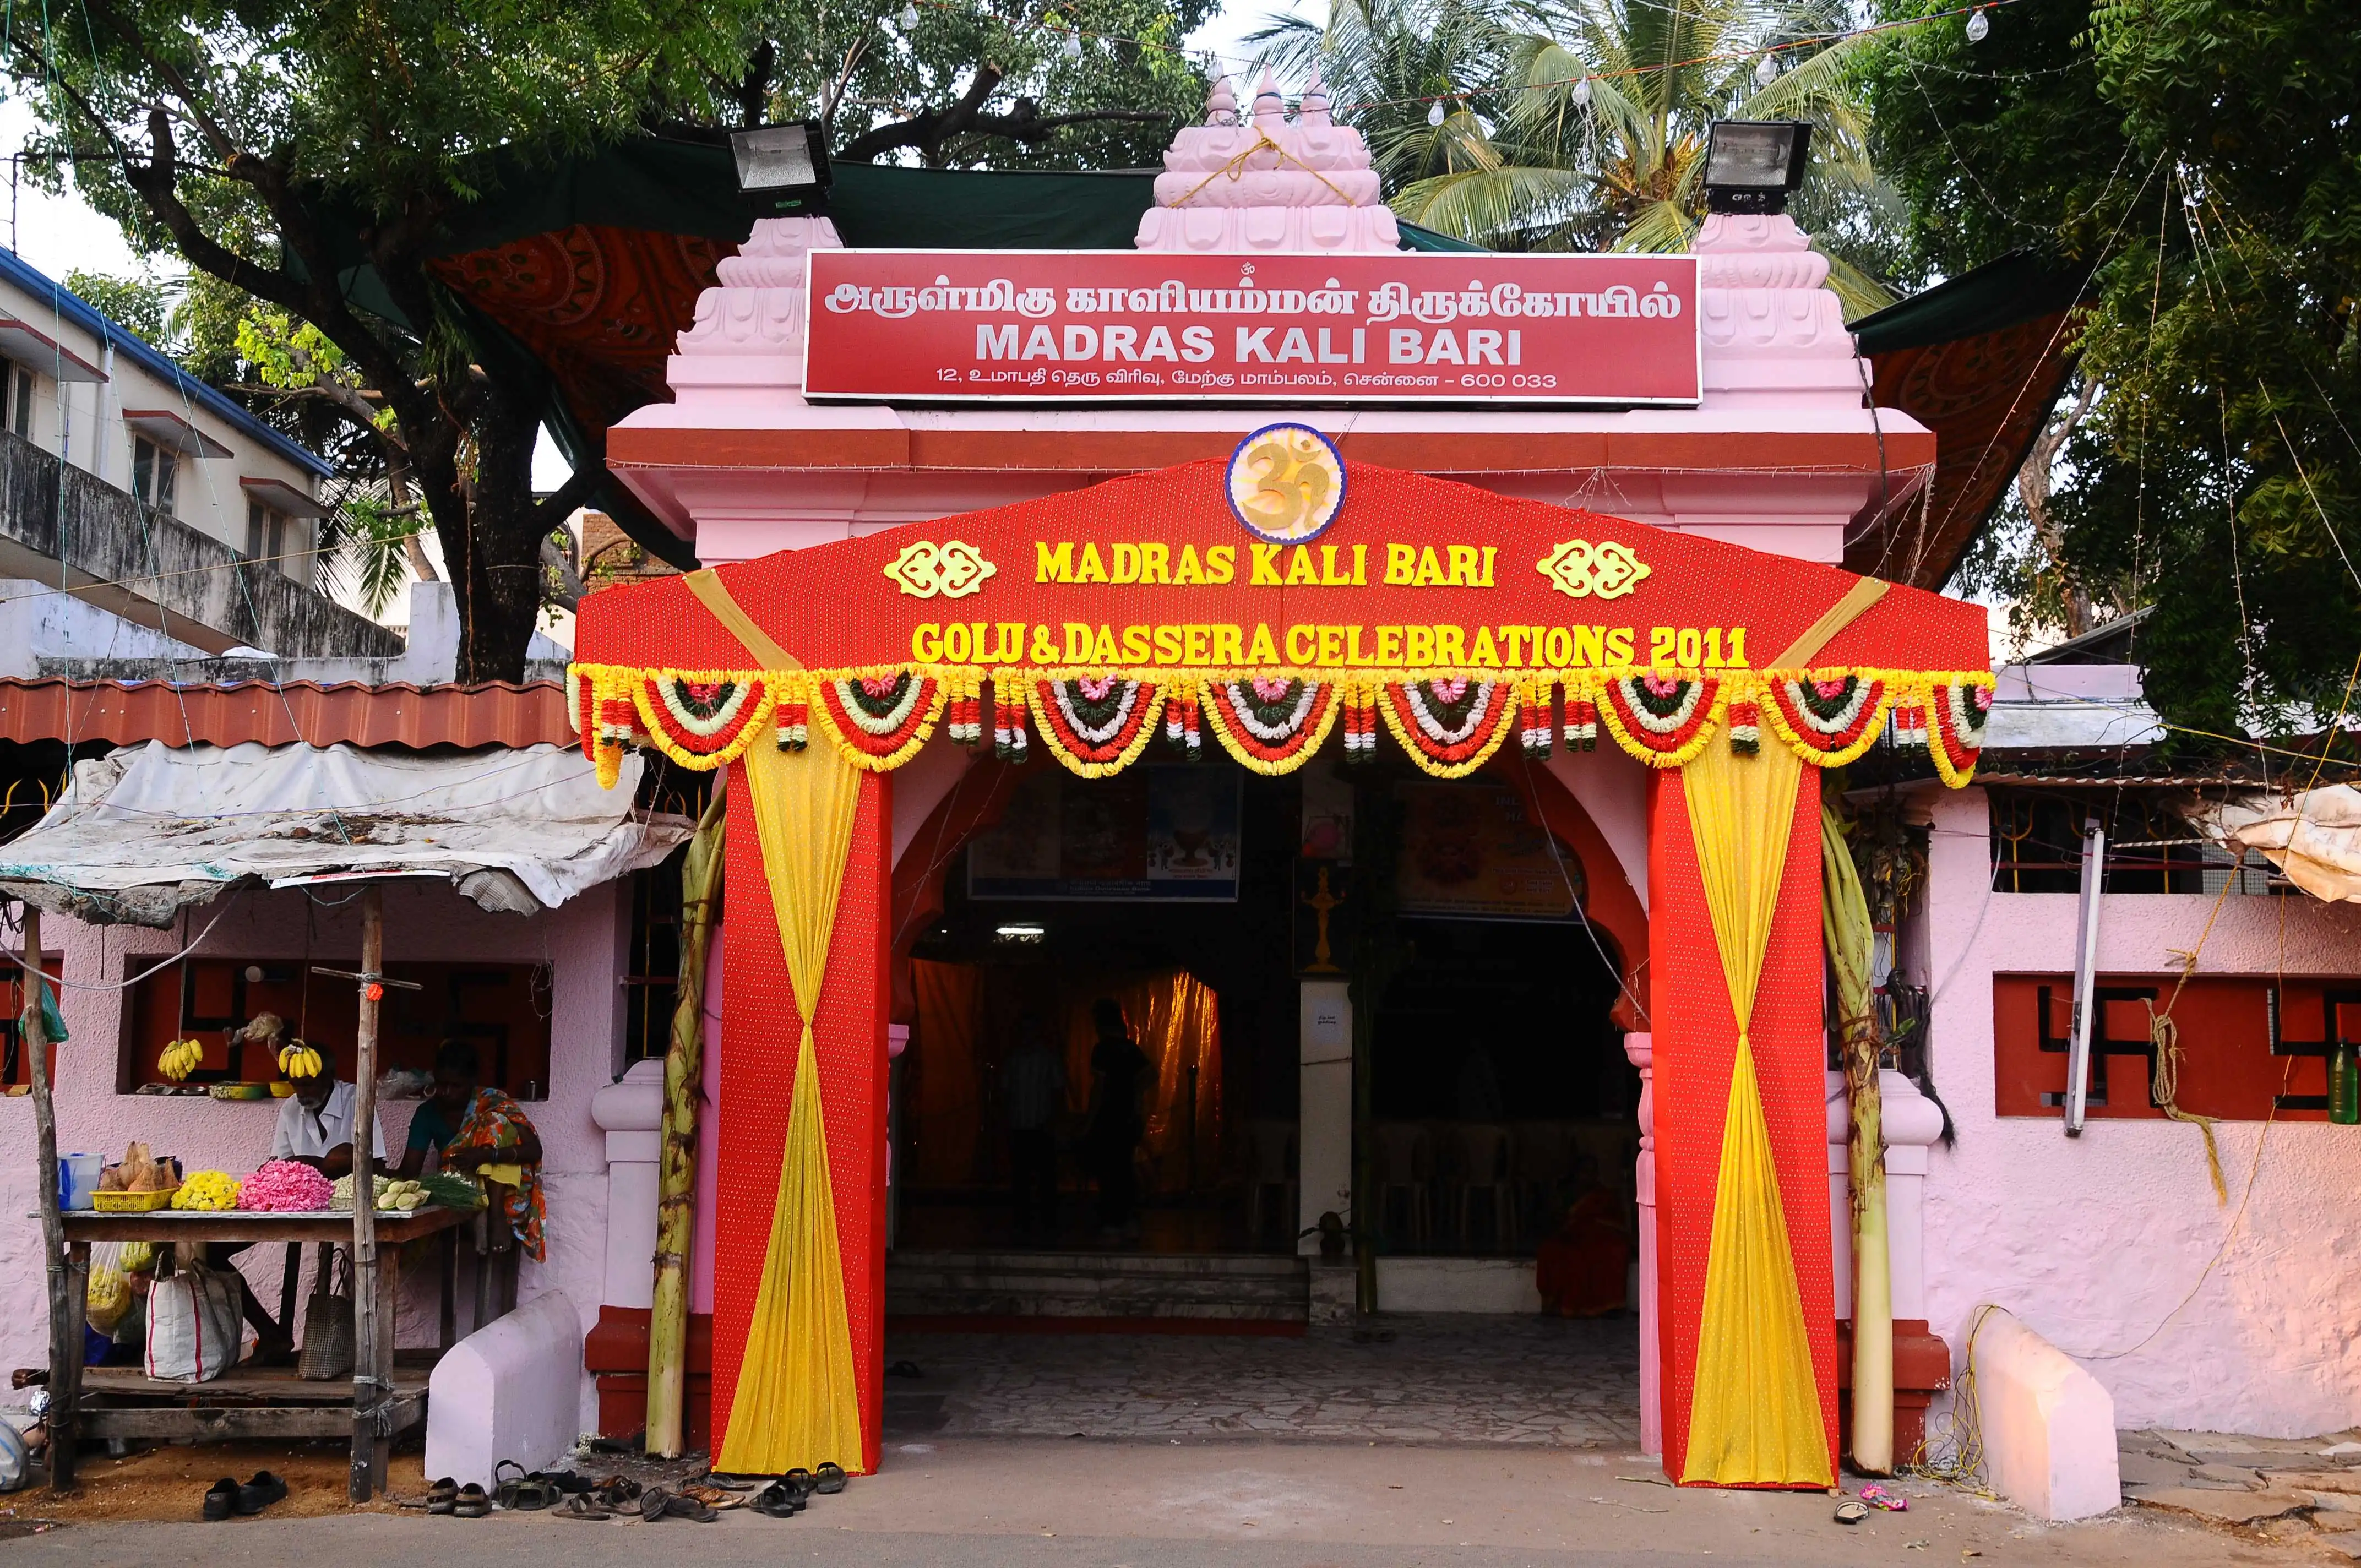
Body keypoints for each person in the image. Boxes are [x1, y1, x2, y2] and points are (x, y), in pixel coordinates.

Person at [399, 1040, 546, 1261]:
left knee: (495, 1121)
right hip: (462, 1189)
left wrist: (486, 1156)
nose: (446, 1092)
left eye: (455, 1086)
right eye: (441, 1084)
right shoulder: (427, 1113)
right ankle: (481, 1210)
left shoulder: (491, 1101)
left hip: (507, 1194)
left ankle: (495, 1213)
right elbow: (410, 1172)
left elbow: (535, 1150)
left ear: (472, 1083)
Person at [1081, 999, 1151, 1242]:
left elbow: (1099, 1089)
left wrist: (1089, 1122)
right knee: (1123, 1168)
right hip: (1128, 1117)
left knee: (1109, 1170)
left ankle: (1114, 1220)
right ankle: (1128, 1220)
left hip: (1109, 1118)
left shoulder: (1102, 1050)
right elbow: (1149, 1075)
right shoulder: (1130, 1048)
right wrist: (1134, 1096)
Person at [270, 1043, 388, 1178]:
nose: (301, 1093)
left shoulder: (357, 1101)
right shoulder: (291, 1108)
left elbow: (377, 1164)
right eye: (295, 1085)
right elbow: (279, 1164)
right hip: (305, 1194)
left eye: (307, 1085)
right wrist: (323, 1166)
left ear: (328, 1077)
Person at [1003, 1017, 1065, 1239]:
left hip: (1039, 1125)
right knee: (1024, 1176)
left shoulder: (1044, 1058)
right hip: (1023, 1125)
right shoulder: (1018, 1059)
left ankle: (1043, 1220)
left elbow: (1058, 1091)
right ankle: (1026, 1221)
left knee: (1042, 1176)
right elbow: (1007, 1091)